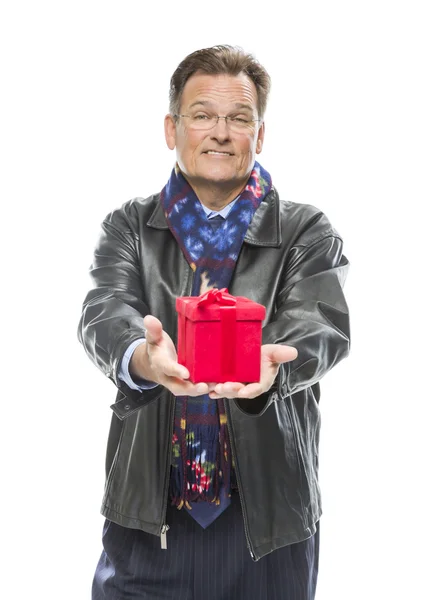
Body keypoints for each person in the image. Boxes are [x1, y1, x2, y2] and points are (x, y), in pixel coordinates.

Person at [78, 44, 351, 600]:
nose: (219, 133)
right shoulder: (129, 225)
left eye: (239, 118)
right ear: (171, 128)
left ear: (260, 134)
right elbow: (104, 310)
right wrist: (141, 358)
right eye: (202, 115)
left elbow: (320, 323)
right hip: (149, 518)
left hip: (269, 526)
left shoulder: (305, 230)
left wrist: (271, 370)